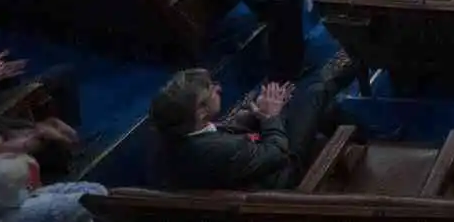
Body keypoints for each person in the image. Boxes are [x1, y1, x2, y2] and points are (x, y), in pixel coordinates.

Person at [147, 64, 352, 191]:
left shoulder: (174, 137)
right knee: (314, 94)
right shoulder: (222, 150)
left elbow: (218, 135)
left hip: (252, 165)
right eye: (211, 89)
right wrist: (271, 116)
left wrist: (252, 116)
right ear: (200, 111)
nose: (218, 88)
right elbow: (278, 153)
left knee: (294, 100)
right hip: (282, 173)